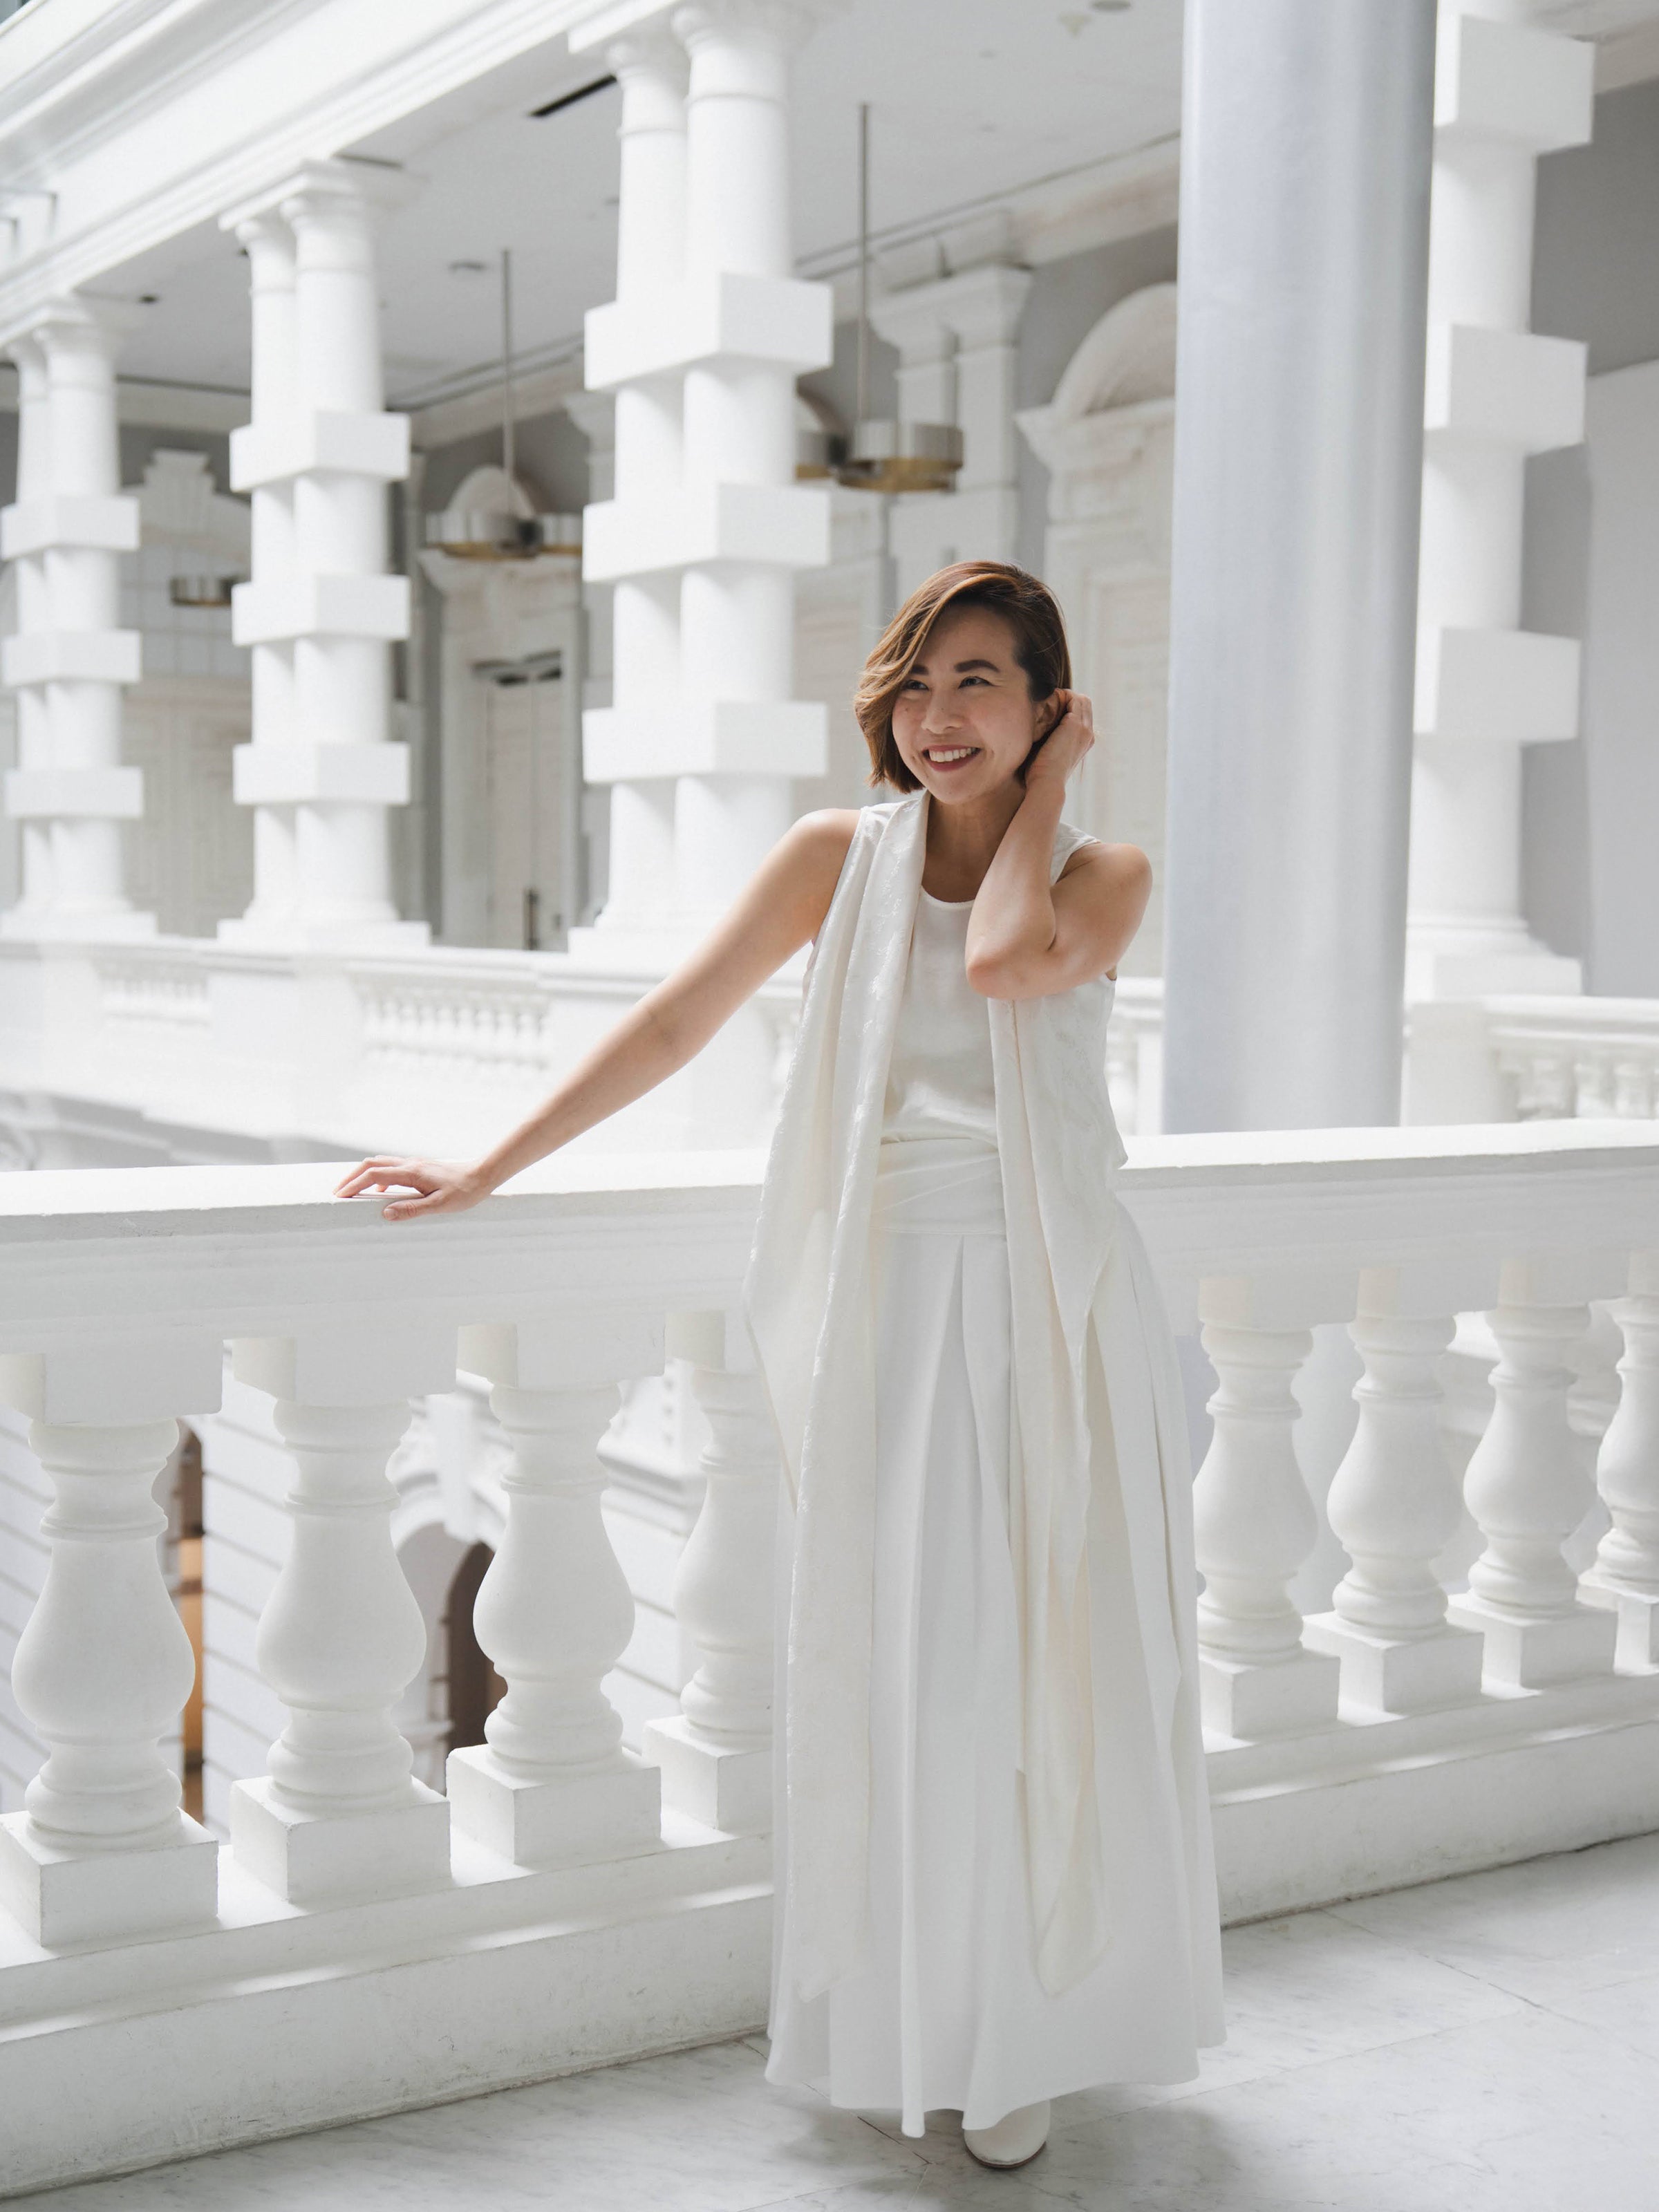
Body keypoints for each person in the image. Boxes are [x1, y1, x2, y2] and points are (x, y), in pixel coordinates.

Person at [335, 559, 1225, 2171]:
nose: (941, 716)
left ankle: (1024, 2026)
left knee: (1039, 1671)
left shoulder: (1108, 871)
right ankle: (911, 2018)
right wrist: (488, 1165)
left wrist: (1052, 793)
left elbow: (1007, 964)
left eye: (984, 685)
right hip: (886, 1310)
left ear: (1047, 703)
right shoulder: (837, 857)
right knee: (900, 1670)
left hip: (1048, 1315)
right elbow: (677, 1025)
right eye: (922, 683)